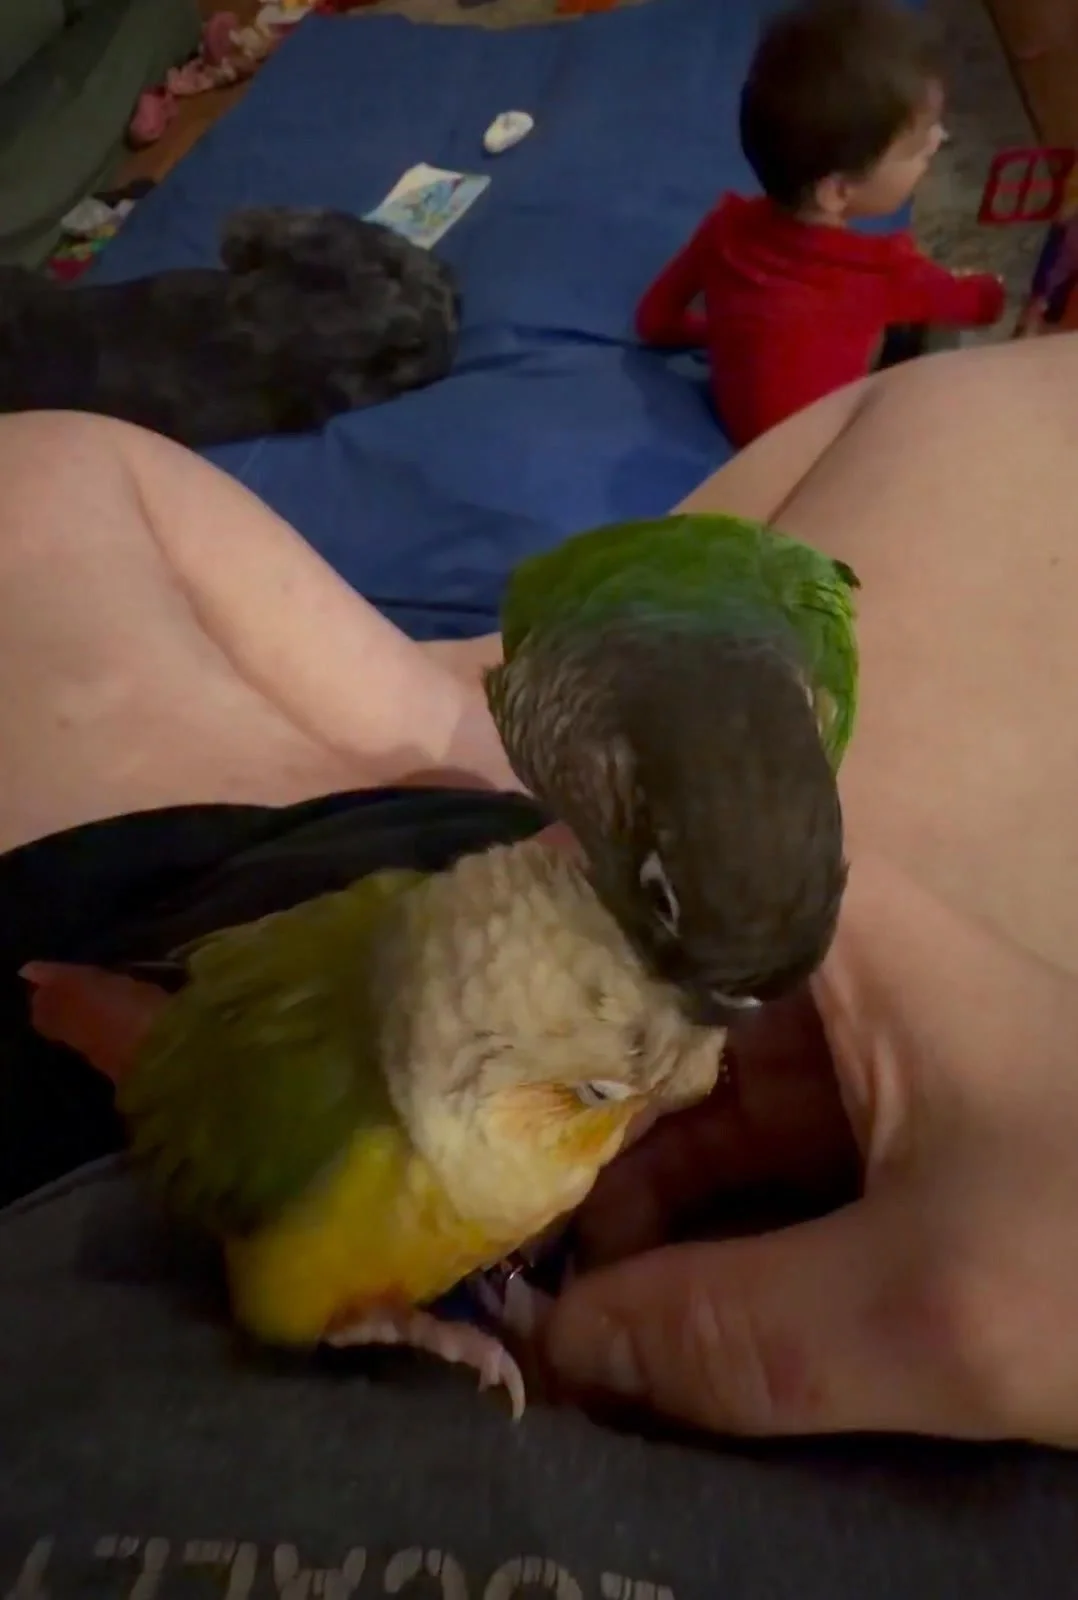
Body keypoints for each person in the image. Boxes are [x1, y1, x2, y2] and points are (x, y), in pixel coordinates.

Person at [4, 330, 1078, 1461]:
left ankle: (437, 735)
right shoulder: (563, 658)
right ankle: (447, 736)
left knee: (49, 474)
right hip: (470, 877)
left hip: (298, 899)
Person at [634, 0, 1005, 447]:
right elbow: (981, 306)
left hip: (743, 431)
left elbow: (654, 321)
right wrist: (991, 289)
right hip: (820, 453)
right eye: (917, 147)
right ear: (837, 191)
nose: (939, 141)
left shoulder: (724, 227)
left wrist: (724, 338)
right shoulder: (886, 273)